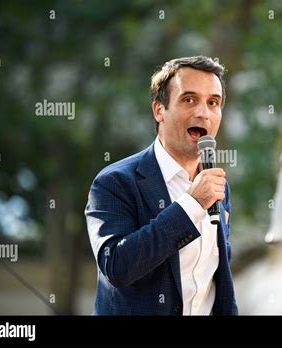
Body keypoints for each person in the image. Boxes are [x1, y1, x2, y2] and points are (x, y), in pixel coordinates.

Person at [84, 56, 238, 315]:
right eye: (189, 99)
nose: (203, 113)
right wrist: (192, 205)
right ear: (159, 111)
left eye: (214, 102)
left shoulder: (218, 186)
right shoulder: (115, 182)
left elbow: (215, 282)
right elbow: (117, 267)